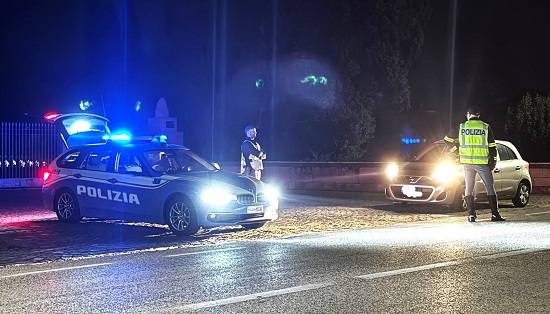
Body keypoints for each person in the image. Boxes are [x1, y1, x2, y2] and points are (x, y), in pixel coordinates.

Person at [443, 106, 505, 222]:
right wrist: (493, 161)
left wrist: (455, 152)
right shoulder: (485, 127)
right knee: (490, 187)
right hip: (482, 162)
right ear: (478, 115)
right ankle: (495, 215)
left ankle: (471, 215)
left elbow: (446, 139)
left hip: (467, 162)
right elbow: (492, 146)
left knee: (469, 188)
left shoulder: (461, 127)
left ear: (468, 114)